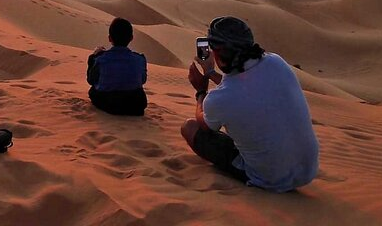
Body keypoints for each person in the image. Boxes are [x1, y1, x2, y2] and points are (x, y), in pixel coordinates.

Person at [181, 16, 319, 192]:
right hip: (307, 171)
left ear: (216, 53)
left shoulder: (221, 99)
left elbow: (205, 125)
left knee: (189, 127)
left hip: (270, 178)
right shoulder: (276, 62)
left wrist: (201, 91)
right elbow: (245, 88)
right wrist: (210, 72)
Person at [87, 17, 148, 116]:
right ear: (131, 38)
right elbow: (143, 80)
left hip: (110, 104)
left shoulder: (101, 59)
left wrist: (94, 57)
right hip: (135, 105)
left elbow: (91, 80)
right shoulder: (140, 59)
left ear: (110, 38)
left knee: (92, 91)